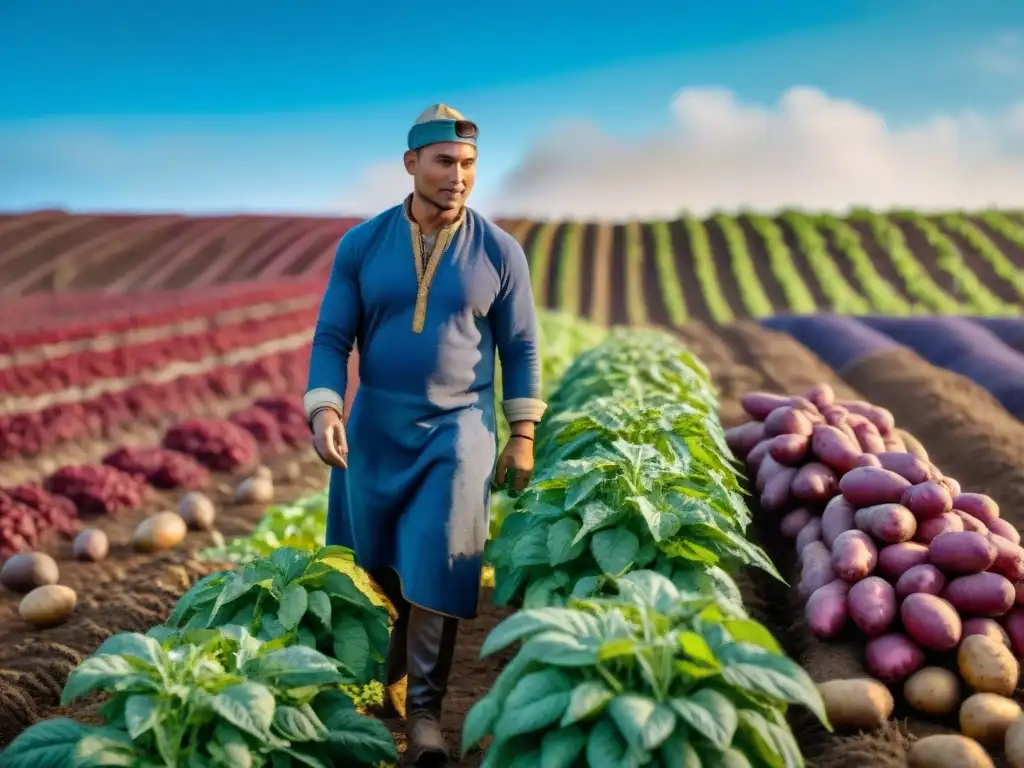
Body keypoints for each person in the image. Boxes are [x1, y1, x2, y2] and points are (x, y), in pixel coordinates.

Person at [304, 104, 546, 766]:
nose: (458, 176)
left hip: (458, 427)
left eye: (469, 164)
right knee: (374, 564)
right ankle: (383, 686)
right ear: (411, 163)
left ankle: (426, 720)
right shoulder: (363, 245)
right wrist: (326, 409)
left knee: (437, 558)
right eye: (445, 162)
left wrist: (521, 433)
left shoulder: (499, 251)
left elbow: (521, 347)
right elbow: (332, 336)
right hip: (375, 425)